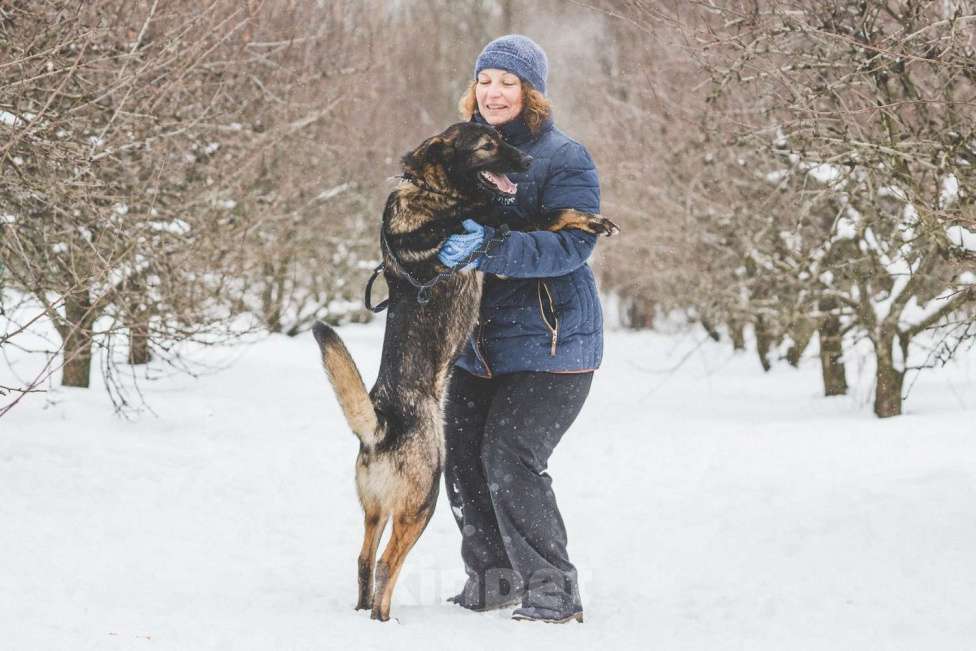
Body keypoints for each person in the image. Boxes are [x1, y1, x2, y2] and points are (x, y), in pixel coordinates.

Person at [436, 34, 604, 624]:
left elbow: (575, 244)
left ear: (531, 93)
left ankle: (553, 591)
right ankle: (493, 579)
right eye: (485, 80)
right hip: (478, 344)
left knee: (508, 457)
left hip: (553, 344)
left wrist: (492, 247)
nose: (494, 92)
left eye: (509, 82)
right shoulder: (459, 153)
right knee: (461, 458)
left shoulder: (564, 158)